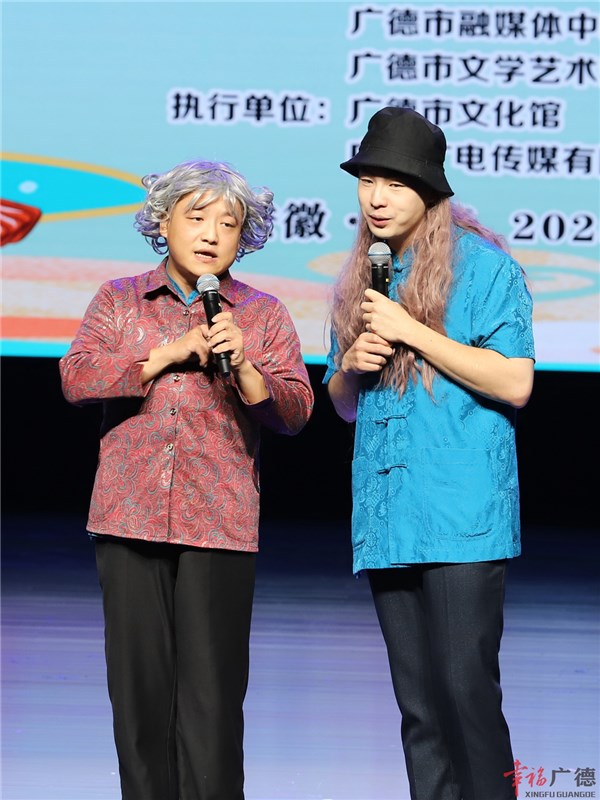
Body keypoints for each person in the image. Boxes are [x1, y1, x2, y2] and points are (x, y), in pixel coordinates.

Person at [59, 159, 314, 800]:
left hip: (219, 523)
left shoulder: (262, 313)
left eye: (229, 224)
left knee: (212, 702)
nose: (211, 234)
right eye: (196, 217)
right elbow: (77, 378)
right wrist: (162, 357)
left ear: (244, 237)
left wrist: (247, 368)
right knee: (138, 698)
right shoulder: (119, 299)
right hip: (128, 515)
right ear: (162, 222)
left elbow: (296, 411)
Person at [325, 107, 535, 800]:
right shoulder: (363, 275)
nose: (377, 198)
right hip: (389, 512)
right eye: (368, 181)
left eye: (396, 183)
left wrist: (411, 330)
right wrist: (350, 365)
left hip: (461, 512)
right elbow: (343, 403)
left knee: (465, 691)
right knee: (418, 709)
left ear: (430, 191)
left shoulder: (486, 268)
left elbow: (515, 381)